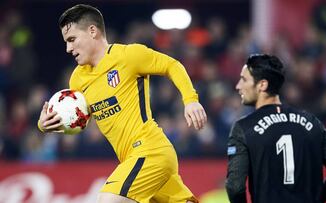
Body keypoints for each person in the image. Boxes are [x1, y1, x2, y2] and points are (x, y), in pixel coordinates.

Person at [38, 4, 207, 203]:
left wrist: (190, 101)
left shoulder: (129, 56)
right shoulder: (78, 79)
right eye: (66, 42)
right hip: (132, 160)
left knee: (108, 200)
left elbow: (172, 65)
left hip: (150, 150)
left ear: (92, 31)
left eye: (72, 39)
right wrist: (47, 124)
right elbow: (80, 121)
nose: (68, 48)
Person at [225, 54, 326, 203]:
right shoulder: (312, 122)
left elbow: (235, 186)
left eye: (244, 79)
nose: (238, 85)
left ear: (262, 85)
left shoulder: (244, 128)